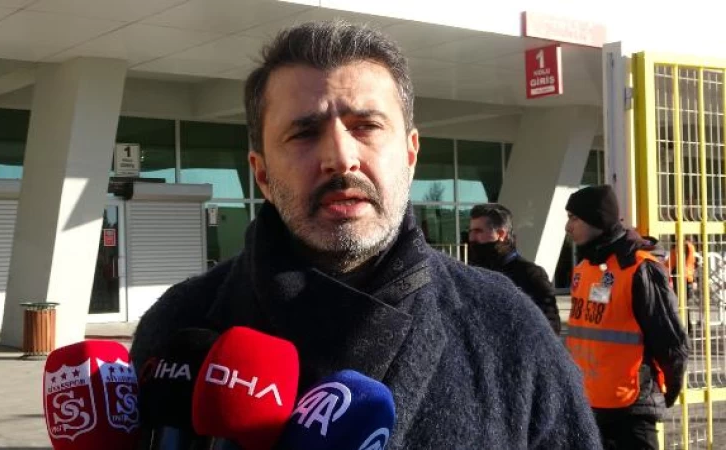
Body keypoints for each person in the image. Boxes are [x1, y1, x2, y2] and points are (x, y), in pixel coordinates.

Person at [132, 21, 601, 449]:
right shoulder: (179, 322)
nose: (340, 157)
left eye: (366, 127)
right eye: (304, 133)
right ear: (261, 175)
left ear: (411, 155)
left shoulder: (507, 326)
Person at [564, 185, 689, 450]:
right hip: (589, 403)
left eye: (574, 218)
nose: (568, 227)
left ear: (597, 219)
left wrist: (668, 390)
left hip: (630, 408)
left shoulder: (639, 268)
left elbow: (670, 340)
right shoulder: (584, 268)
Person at [468, 203, 561, 334]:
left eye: (478, 231)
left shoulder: (530, 274)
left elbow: (550, 328)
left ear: (501, 234)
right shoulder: (473, 274)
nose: (471, 238)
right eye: (471, 231)